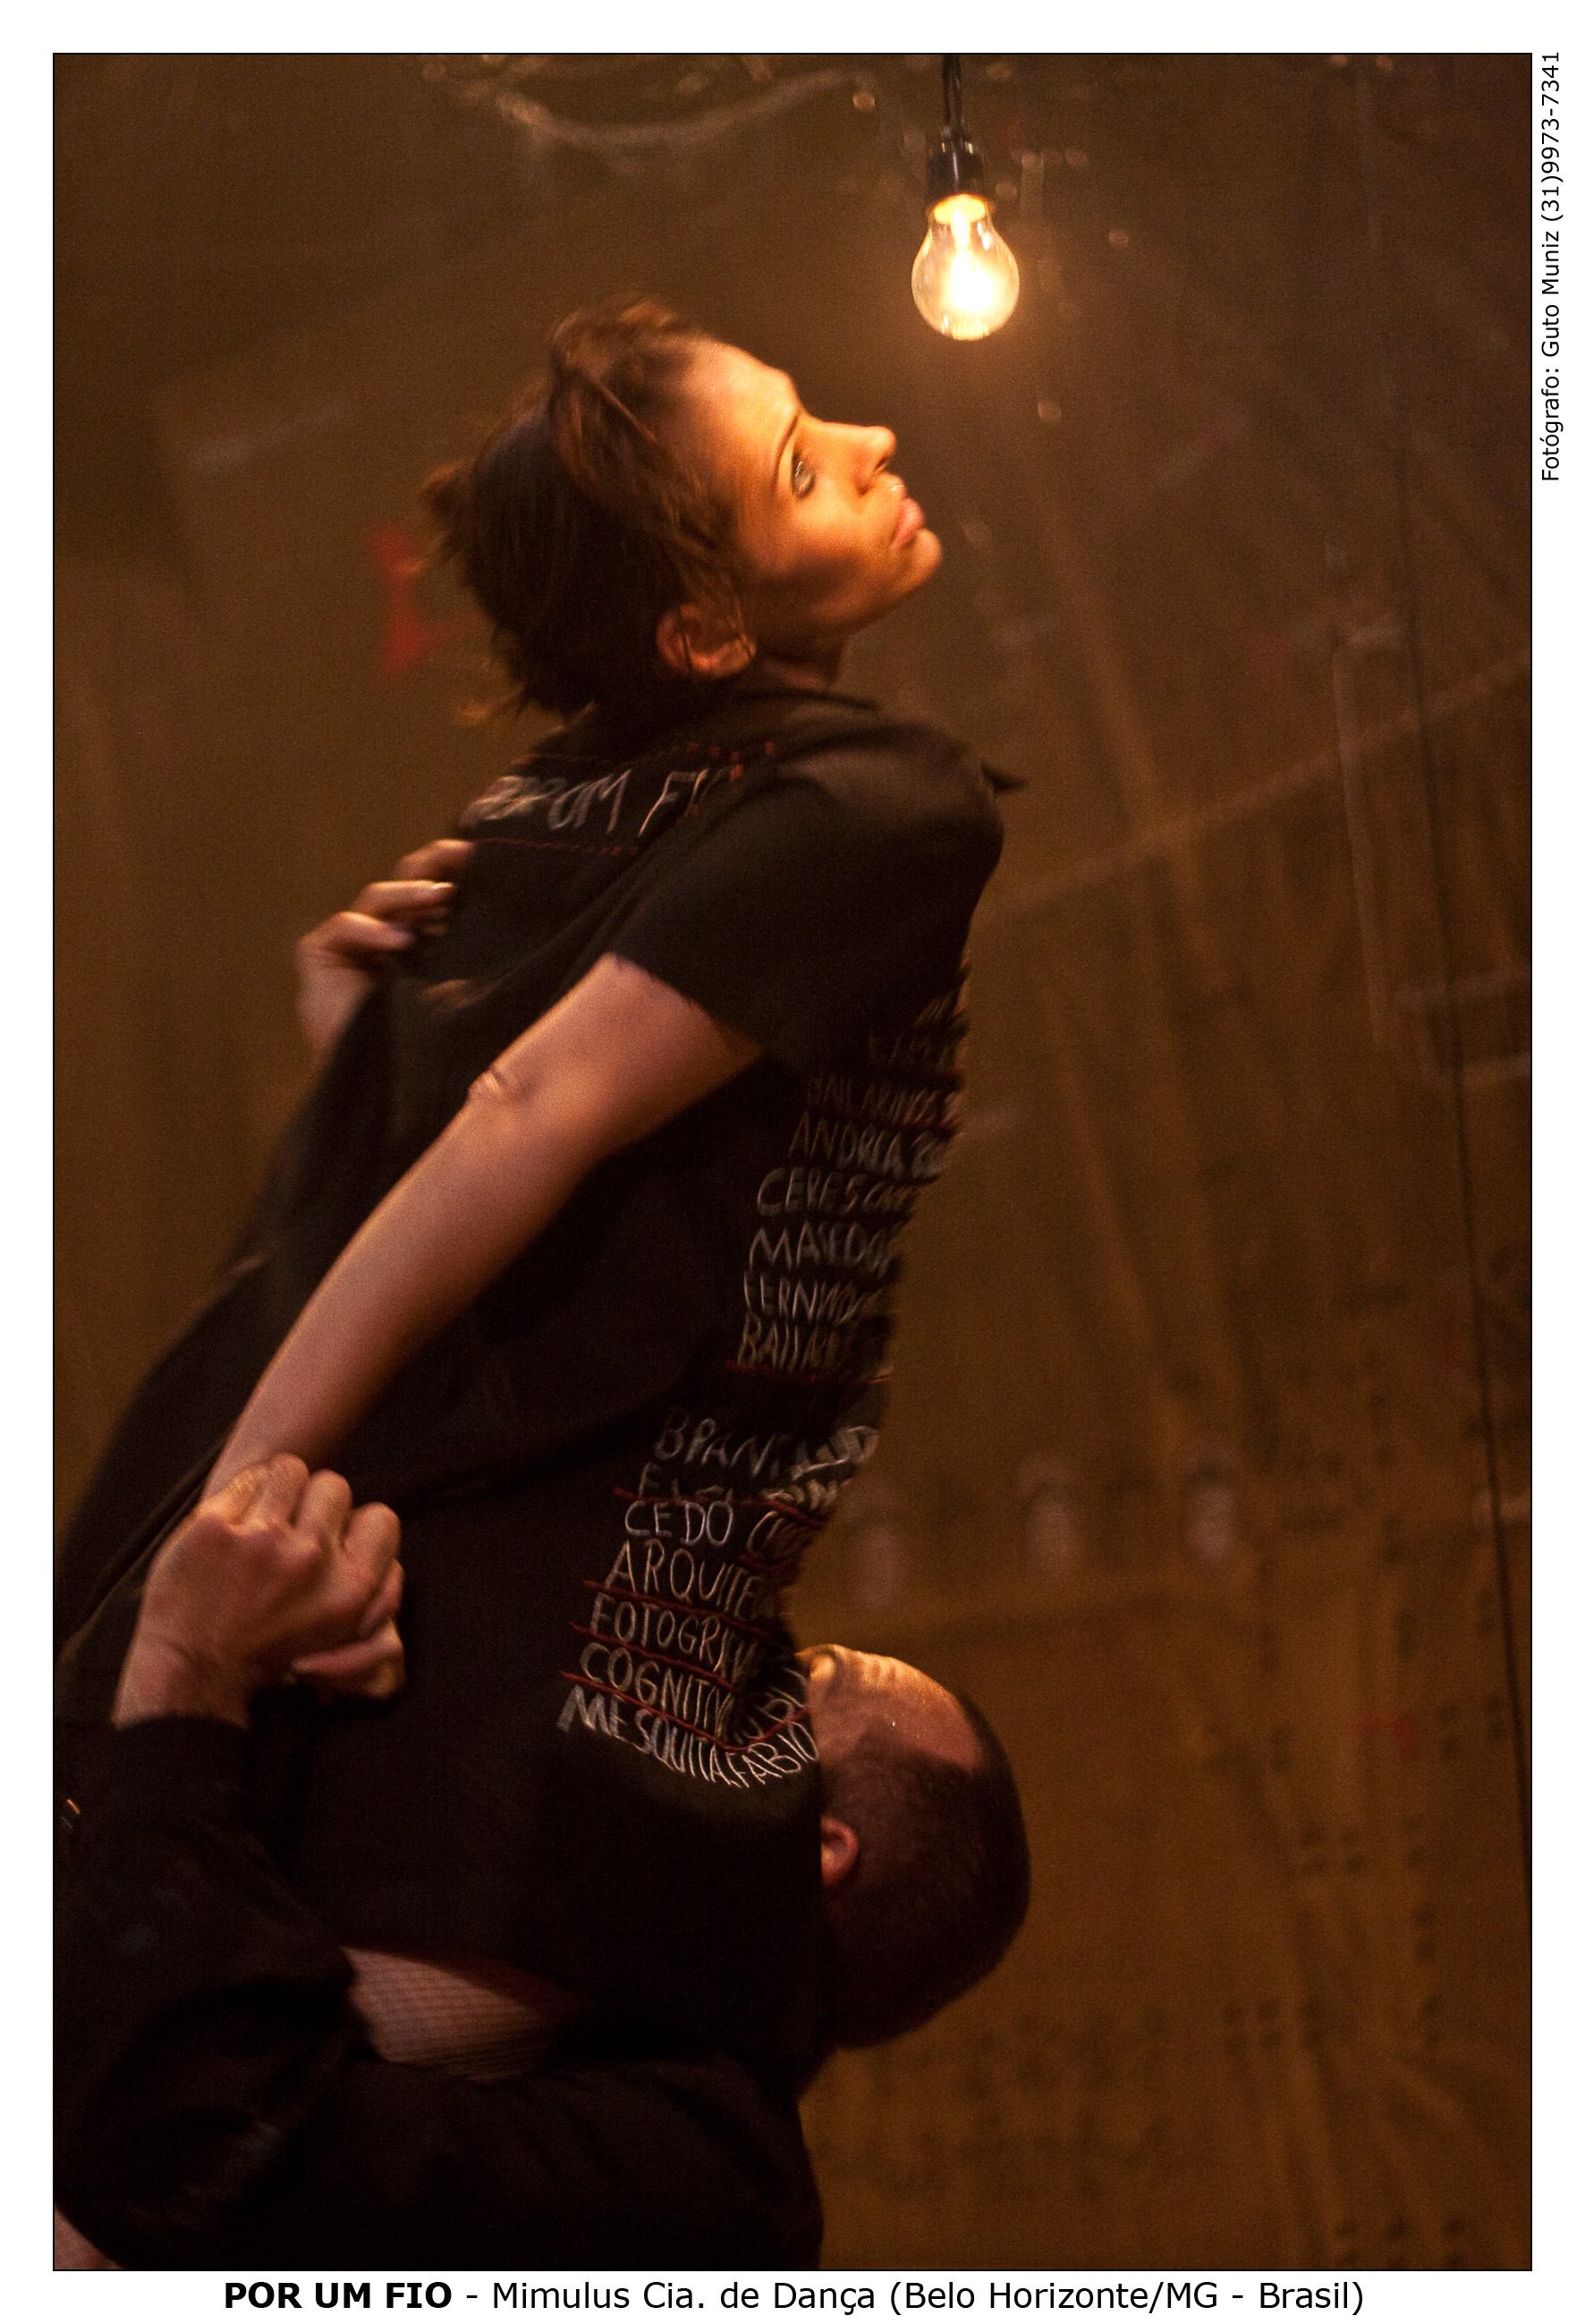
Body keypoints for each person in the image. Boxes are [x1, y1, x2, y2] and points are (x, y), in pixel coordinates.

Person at [55, 298, 1014, 2070]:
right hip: (455, 1563)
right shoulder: (893, 803)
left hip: (327, 1479)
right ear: (701, 628)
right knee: (184, 2085)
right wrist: (227, 1525)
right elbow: (525, 1115)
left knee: (151, 2036)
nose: (875, 441)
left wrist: (357, 1062)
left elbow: (481, 1129)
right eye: (805, 463)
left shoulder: (556, 808)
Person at [55, 1459, 1030, 2268]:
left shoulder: (710, 2196)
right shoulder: (578, 1962)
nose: (717, 1682)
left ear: (817, 1847)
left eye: (792, 1688)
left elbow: (207, 2151)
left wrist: (188, 1670)